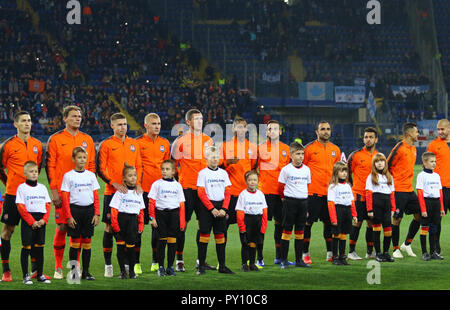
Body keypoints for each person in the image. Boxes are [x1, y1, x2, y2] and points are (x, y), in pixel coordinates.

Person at [45, 105, 96, 279]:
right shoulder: (56, 139)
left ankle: (76, 267)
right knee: (62, 226)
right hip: (63, 192)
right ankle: (58, 266)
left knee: (81, 231)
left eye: (80, 116)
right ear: (65, 118)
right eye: (74, 116)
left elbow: (91, 166)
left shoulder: (87, 139)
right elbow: (50, 166)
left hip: (83, 195)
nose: (78, 118)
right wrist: (54, 191)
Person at [97, 112, 143, 277]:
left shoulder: (133, 143)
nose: (123, 127)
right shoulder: (106, 144)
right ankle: (108, 265)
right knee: (110, 229)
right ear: (112, 126)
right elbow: (100, 169)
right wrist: (113, 183)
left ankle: (127, 266)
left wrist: (138, 183)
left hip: (131, 193)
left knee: (131, 230)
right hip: (113, 193)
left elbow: (139, 166)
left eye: (124, 124)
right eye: (119, 124)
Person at [0, 111, 44, 282]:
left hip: (32, 196)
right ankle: (6, 271)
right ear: (16, 124)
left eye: (30, 121)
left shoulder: (38, 145)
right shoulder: (7, 145)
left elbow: (38, 168)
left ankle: (34, 272)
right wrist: (10, 183)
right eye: (24, 121)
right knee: (8, 231)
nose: (27, 123)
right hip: (12, 195)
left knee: (34, 230)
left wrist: (30, 186)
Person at [171, 108, 213, 272]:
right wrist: (179, 183)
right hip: (187, 189)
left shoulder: (208, 140)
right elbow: (172, 164)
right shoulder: (180, 141)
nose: (200, 121)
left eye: (201, 118)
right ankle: (179, 260)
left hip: (204, 190)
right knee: (182, 226)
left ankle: (200, 261)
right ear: (188, 122)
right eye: (196, 119)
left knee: (204, 227)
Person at [136, 113, 171, 273]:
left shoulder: (165, 143)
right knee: (138, 228)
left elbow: (168, 168)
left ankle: (155, 261)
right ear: (146, 125)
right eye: (154, 123)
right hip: (141, 191)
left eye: (159, 123)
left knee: (158, 229)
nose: (157, 126)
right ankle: (136, 263)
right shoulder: (137, 143)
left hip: (159, 193)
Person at [303, 121, 341, 264]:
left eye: (328, 129)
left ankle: (330, 253)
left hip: (330, 194)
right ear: (316, 132)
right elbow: (301, 168)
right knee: (307, 224)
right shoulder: (309, 149)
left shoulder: (335, 150)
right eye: (322, 129)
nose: (326, 131)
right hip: (312, 193)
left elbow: (339, 171)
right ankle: (305, 253)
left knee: (330, 224)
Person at [61, 147, 100, 281]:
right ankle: (74, 272)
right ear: (73, 159)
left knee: (87, 243)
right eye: (79, 157)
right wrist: (68, 216)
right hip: (75, 211)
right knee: (75, 243)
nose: (82, 160)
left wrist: (97, 214)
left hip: (89, 211)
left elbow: (95, 196)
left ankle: (86, 272)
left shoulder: (90, 175)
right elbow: (65, 198)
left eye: (84, 157)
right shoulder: (68, 176)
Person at [221, 118, 258, 251]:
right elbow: (219, 167)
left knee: (247, 229)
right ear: (233, 129)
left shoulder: (253, 147)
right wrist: (228, 162)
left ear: (247, 129)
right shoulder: (225, 146)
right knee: (223, 227)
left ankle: (247, 261)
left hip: (246, 195)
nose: (241, 129)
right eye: (238, 127)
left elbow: (253, 167)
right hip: (230, 194)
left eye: (244, 127)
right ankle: (222, 261)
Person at [257, 120, 290, 266]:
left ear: (280, 132)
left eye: (276, 129)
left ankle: (280, 257)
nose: (273, 131)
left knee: (280, 226)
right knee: (261, 227)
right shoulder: (260, 149)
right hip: (265, 193)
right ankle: (259, 258)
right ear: (267, 132)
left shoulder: (286, 149)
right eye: (270, 129)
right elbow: (252, 169)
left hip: (281, 195)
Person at [196, 146, 234, 275]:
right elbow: (201, 193)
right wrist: (211, 208)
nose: (215, 159)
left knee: (220, 237)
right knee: (204, 237)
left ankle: (222, 266)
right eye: (212, 157)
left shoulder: (223, 173)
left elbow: (228, 192)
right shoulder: (202, 173)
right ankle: (201, 266)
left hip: (221, 207)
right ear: (206, 158)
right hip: (207, 209)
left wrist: (224, 208)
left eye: (217, 156)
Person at [387, 122, 420, 259]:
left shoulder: (413, 149)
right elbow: (386, 166)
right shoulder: (399, 148)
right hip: (398, 191)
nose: (418, 134)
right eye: (416, 132)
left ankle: (406, 244)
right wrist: (391, 185)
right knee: (396, 220)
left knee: (421, 215)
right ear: (409, 133)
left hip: (409, 190)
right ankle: (395, 249)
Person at [16, 161, 51, 284]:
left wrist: (44, 220)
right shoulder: (21, 188)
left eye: (36, 171)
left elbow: (47, 205)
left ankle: (40, 274)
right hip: (28, 221)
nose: (34, 174)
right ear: (25, 173)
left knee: (39, 249)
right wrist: (31, 222)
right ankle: (25, 276)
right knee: (26, 248)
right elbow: (20, 206)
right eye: (31, 172)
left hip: (41, 221)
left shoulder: (42, 187)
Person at [148, 160, 186, 277]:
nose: (164, 171)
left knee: (172, 242)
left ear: (174, 172)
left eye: (167, 169)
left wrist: (182, 221)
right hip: (161, 215)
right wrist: (152, 218)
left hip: (174, 215)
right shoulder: (157, 184)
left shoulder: (178, 185)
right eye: (163, 169)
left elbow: (181, 204)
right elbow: (151, 202)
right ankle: (161, 267)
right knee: (161, 241)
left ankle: (170, 267)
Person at [277, 142, 312, 268]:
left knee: (300, 232)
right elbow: (280, 187)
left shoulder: (307, 170)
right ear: (291, 155)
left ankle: (299, 260)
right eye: (298, 154)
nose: (301, 156)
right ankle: (284, 260)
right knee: (286, 231)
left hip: (303, 203)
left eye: (302, 154)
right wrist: (284, 199)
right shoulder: (286, 170)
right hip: (290, 202)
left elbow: (307, 186)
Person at [347, 127, 379, 260]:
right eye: (366, 137)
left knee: (371, 223)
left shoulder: (379, 156)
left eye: (371, 137)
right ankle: (351, 251)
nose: (368, 139)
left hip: (373, 196)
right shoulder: (356, 155)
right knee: (357, 223)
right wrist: (351, 187)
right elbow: (348, 172)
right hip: (359, 194)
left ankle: (369, 251)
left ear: (376, 139)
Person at [109, 166, 145, 279]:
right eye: (130, 175)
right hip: (121, 222)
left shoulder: (138, 193)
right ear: (124, 179)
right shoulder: (120, 192)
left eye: (134, 175)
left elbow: (141, 211)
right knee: (120, 249)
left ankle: (132, 272)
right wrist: (116, 227)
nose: (133, 178)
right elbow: (114, 210)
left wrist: (141, 224)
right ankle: (122, 272)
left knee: (131, 248)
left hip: (133, 223)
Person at [366, 153, 396, 263]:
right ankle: (378, 253)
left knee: (388, 230)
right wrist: (369, 210)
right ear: (374, 164)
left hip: (386, 205)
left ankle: (386, 252)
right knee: (377, 230)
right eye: (377, 161)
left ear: (385, 163)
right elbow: (368, 194)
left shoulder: (389, 176)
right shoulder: (371, 177)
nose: (380, 163)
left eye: (382, 161)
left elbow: (392, 194)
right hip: (376, 204)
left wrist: (393, 208)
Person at [426, 118, 450, 255]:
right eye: (438, 129)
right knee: (436, 220)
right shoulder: (434, 145)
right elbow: (427, 165)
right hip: (440, 188)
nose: (440, 132)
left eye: (442, 129)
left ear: (449, 129)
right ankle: (435, 248)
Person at [236, 170, 268, 272]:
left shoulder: (261, 194)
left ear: (258, 181)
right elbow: (240, 212)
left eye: (254, 180)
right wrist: (242, 228)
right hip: (247, 221)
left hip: (257, 221)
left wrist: (263, 228)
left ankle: (252, 263)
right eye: (250, 180)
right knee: (245, 243)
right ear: (246, 182)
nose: (252, 182)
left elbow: (264, 211)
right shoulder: (243, 194)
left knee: (254, 243)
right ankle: (244, 264)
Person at [416, 152, 445, 261]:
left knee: (434, 228)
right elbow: (420, 193)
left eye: (435, 161)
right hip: (427, 203)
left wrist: (442, 208)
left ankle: (433, 252)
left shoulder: (437, 175)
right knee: (424, 228)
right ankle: (424, 252)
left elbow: (440, 192)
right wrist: (423, 209)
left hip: (436, 204)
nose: (434, 164)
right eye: (431, 161)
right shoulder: (421, 176)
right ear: (424, 162)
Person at [327, 161, 357, 266]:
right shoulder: (332, 186)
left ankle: (342, 256)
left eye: (345, 171)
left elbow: (352, 201)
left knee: (344, 234)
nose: (344, 173)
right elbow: (331, 204)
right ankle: (335, 257)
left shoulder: (348, 186)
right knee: (336, 234)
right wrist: (334, 219)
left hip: (347, 211)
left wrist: (354, 215)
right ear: (336, 173)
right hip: (338, 210)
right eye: (341, 171)